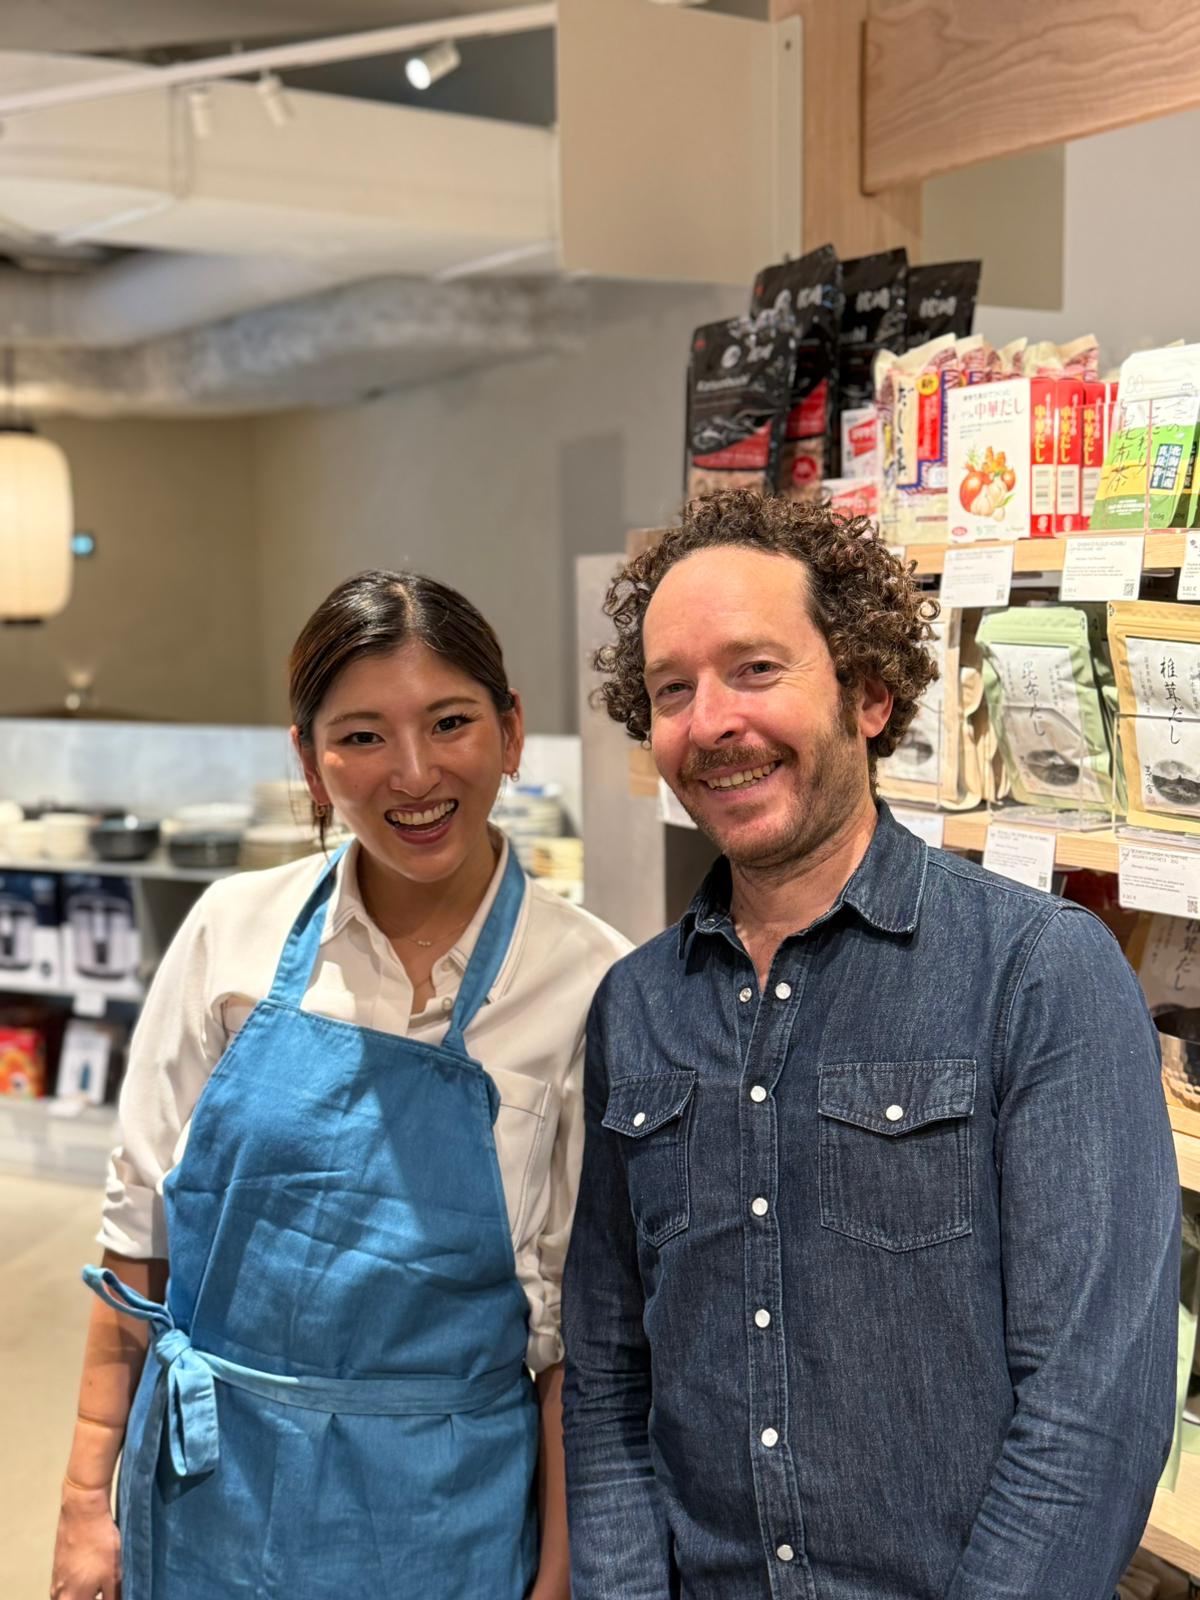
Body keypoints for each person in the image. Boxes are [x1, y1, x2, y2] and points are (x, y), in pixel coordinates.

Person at [562, 488, 1180, 1600]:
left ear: (869, 691)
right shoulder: (636, 1006)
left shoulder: (1038, 973)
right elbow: (608, 1381)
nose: (711, 721)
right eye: (672, 689)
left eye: (756, 669)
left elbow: (1090, 1417)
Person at [51, 570, 629, 1600]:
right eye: (362, 735)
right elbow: (138, 1238)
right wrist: (85, 1505)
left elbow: (570, 1343)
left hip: (442, 1520)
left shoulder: (590, 982)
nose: (413, 772)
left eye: (449, 722)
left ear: (510, 731)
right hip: (208, 1499)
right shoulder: (230, 932)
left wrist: (557, 1576)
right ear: (310, 761)